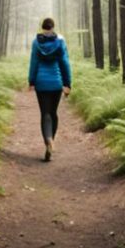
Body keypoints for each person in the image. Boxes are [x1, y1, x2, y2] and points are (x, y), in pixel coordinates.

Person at [28, 17, 72, 161]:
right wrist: (67, 83)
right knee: (53, 113)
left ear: (42, 27)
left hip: (41, 83)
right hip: (56, 83)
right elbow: (65, 63)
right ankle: (51, 141)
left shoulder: (36, 42)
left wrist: (31, 81)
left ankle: (48, 141)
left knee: (45, 114)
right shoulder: (60, 42)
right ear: (53, 27)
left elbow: (34, 62)